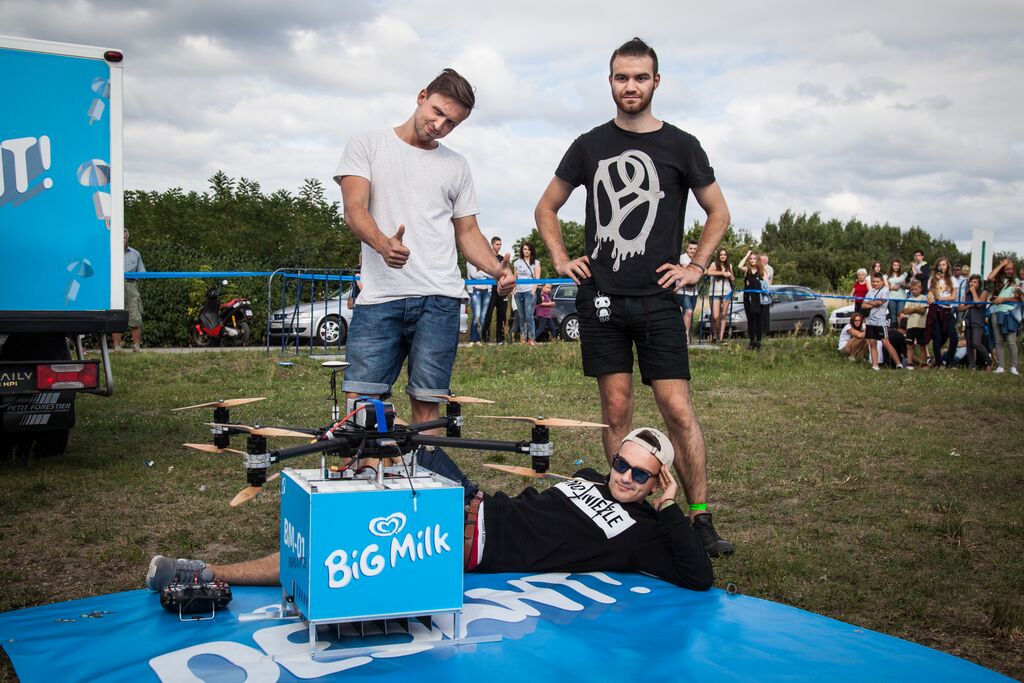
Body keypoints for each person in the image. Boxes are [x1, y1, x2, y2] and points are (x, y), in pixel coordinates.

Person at [534, 37, 733, 556]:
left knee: (676, 409)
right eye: (622, 77)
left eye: (640, 77)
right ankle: (625, 514)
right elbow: (546, 207)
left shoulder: (683, 145)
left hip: (658, 299)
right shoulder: (588, 145)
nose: (631, 86)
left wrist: (696, 266)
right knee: (616, 409)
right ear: (610, 81)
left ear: (656, 82)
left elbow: (718, 212)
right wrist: (561, 258)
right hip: (601, 299)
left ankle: (699, 517)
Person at [146, 428, 715, 592]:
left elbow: (699, 576)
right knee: (393, 435)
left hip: (468, 544)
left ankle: (208, 574)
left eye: (640, 474)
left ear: (658, 482)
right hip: (472, 502)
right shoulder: (592, 479)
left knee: (339, 549)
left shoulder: (644, 534)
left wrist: (671, 508)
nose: (624, 477)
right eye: (621, 463)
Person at [334, 69, 516, 428]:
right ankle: (377, 462)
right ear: (421, 97)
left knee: (428, 409)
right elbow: (353, 209)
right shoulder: (368, 143)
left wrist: (498, 270)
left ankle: (423, 465)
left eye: (452, 123)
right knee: (360, 409)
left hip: (440, 300)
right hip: (381, 297)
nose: (440, 125)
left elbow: (468, 233)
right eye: (437, 112)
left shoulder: (456, 165)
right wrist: (383, 244)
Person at [861, 273, 904, 370]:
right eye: (873, 281)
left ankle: (898, 363)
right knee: (872, 343)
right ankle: (875, 365)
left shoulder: (885, 290)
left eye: (877, 281)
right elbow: (863, 305)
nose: (875, 283)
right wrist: (873, 303)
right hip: (870, 322)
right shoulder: (870, 292)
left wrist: (870, 302)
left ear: (882, 282)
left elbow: (879, 303)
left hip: (880, 322)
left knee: (886, 342)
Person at [986, 258, 1021, 375]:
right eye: (1007, 269)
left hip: (1009, 313)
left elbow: (1018, 299)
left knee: (1011, 341)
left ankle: (1013, 367)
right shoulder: (998, 280)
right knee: (998, 340)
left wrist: (1003, 299)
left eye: (1011, 269)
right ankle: (1000, 367)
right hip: (995, 312)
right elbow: (989, 277)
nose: (1009, 271)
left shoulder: (1016, 282)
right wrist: (1001, 265)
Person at [112, 229, 145, 351]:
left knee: (135, 315)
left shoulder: (135, 254)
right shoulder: (111, 253)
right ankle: (117, 348)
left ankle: (136, 347)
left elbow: (142, 273)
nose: (122, 240)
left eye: (124, 237)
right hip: (115, 286)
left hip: (131, 286)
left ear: (127, 239)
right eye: (119, 237)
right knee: (116, 316)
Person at [926, 257, 958, 368]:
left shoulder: (952, 279)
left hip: (947, 310)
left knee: (954, 337)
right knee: (937, 337)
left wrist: (941, 298)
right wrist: (935, 282)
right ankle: (939, 363)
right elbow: (930, 298)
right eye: (939, 265)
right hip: (935, 310)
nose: (941, 267)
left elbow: (953, 297)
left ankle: (949, 362)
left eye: (943, 265)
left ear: (947, 266)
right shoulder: (932, 279)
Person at [481, 236, 510, 343]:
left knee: (502, 314)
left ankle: (500, 339)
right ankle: (485, 339)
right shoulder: (487, 258)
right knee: (488, 314)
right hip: (490, 289)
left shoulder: (502, 259)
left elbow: (506, 273)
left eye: (500, 244)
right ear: (492, 245)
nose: (499, 246)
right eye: (497, 244)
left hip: (501, 290)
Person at [959, 274, 991, 370]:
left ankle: (989, 360)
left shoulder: (984, 292)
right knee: (969, 344)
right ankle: (972, 365)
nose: (972, 284)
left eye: (975, 282)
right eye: (971, 282)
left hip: (977, 321)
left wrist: (973, 292)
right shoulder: (966, 294)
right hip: (967, 321)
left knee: (976, 342)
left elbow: (979, 304)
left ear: (979, 284)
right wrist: (969, 305)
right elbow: (960, 308)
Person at [512, 242, 541, 346]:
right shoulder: (516, 263)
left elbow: (537, 278)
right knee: (521, 316)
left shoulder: (536, 263)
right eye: (525, 249)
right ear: (522, 250)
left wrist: (533, 290)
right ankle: (523, 338)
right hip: (518, 292)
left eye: (528, 249)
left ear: (531, 251)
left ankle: (531, 339)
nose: (526, 251)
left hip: (529, 292)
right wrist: (513, 289)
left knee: (529, 316)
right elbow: (514, 277)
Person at [739, 250, 769, 350]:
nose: (752, 260)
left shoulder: (762, 271)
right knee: (750, 321)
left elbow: (767, 287)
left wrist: (759, 284)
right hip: (748, 299)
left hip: (758, 300)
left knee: (758, 321)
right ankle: (751, 342)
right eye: (751, 259)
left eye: (754, 258)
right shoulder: (747, 270)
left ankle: (758, 342)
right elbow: (739, 266)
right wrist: (747, 254)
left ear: (758, 260)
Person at [706, 249, 735, 343]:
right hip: (715, 293)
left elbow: (732, 278)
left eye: (724, 255)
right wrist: (722, 273)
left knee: (723, 315)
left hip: (726, 292)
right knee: (715, 316)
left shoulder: (729, 265)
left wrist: (731, 276)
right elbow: (708, 272)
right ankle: (715, 335)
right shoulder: (714, 264)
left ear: (727, 256)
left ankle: (721, 338)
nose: (723, 256)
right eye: (721, 255)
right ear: (718, 256)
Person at [899, 278, 929, 368]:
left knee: (922, 346)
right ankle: (910, 363)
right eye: (912, 289)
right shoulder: (909, 299)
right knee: (909, 345)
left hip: (921, 325)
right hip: (910, 326)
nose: (914, 291)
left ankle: (924, 364)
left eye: (916, 289)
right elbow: (905, 311)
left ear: (920, 289)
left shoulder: (923, 298)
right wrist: (916, 308)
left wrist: (912, 309)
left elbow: (922, 310)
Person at [466, 257, 492, 345]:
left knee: (483, 317)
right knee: (476, 315)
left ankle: (479, 340)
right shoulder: (470, 260)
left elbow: (492, 275)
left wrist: (481, 272)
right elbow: (474, 275)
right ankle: (472, 339)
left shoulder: (487, 260)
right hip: (475, 290)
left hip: (487, 291)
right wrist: (486, 273)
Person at [677, 240, 699, 342]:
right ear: (687, 249)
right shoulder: (683, 257)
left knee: (689, 314)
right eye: (690, 248)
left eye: (694, 249)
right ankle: (685, 338)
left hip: (694, 292)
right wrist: (698, 271)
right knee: (688, 311)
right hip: (682, 290)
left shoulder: (697, 259)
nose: (692, 251)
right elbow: (687, 269)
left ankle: (688, 336)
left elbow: (705, 270)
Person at [886, 259, 906, 324]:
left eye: (898, 265)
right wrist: (892, 287)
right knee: (893, 316)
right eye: (894, 265)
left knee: (900, 315)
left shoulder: (904, 275)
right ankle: (893, 328)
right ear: (892, 266)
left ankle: (901, 328)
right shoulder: (886, 276)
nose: (896, 267)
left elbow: (908, 285)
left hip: (902, 298)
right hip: (891, 298)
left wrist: (903, 285)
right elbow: (885, 288)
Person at [760, 252, 774, 334]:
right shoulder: (758, 267)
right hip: (758, 294)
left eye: (764, 259)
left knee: (765, 314)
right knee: (759, 313)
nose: (763, 261)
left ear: (767, 260)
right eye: (761, 259)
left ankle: (765, 333)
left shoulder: (769, 268)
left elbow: (764, 277)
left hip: (766, 294)